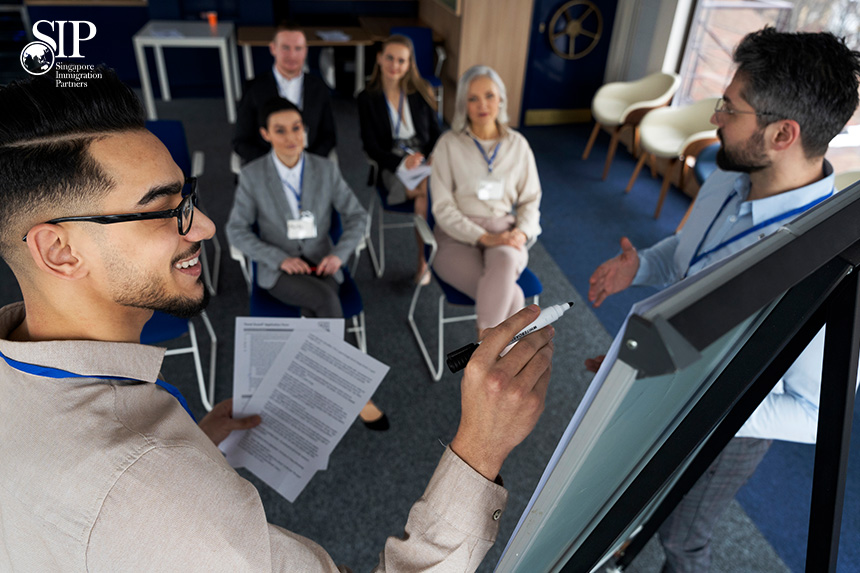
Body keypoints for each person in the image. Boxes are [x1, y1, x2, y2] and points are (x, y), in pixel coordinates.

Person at [0, 68, 555, 571]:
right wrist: (481, 449)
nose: (204, 227)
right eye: (163, 210)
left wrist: (193, 439)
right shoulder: (152, 493)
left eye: (187, 198)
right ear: (59, 251)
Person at [586, 28, 860, 573]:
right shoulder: (725, 178)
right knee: (638, 501)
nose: (714, 119)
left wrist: (694, 395)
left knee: (683, 540)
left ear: (782, 134)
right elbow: (688, 258)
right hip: (669, 375)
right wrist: (642, 265)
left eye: (729, 109)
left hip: (732, 426)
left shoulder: (828, 264)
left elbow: (814, 413)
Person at [227, 97, 387, 430]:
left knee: (319, 313)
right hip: (280, 271)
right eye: (280, 130)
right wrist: (278, 258)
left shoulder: (325, 169)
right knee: (327, 301)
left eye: (296, 128)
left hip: (322, 262)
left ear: (306, 131)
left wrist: (339, 254)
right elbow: (236, 231)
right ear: (265, 134)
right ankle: (354, 391)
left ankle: (314, 388)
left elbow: (357, 216)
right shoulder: (253, 175)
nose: (290, 137)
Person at [430, 65, 542, 331]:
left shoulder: (518, 145)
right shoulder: (448, 144)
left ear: (501, 99)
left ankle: (484, 346)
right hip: (455, 235)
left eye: (489, 96)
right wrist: (483, 237)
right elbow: (443, 208)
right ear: (463, 104)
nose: (483, 105)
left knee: (504, 263)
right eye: (473, 98)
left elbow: (531, 200)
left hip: (505, 233)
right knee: (510, 293)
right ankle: (498, 356)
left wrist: (522, 233)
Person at [357, 34, 442, 283]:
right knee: (430, 192)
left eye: (402, 61)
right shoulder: (367, 98)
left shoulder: (421, 91)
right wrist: (401, 163)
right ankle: (425, 260)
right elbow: (370, 147)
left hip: (423, 161)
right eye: (390, 58)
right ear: (379, 59)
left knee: (424, 195)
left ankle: (423, 261)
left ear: (409, 64)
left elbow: (437, 135)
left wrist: (432, 157)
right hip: (390, 164)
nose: (395, 65)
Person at [232, 23, 336, 163]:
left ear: (305, 51)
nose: (292, 55)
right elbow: (241, 141)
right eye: (285, 48)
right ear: (273, 48)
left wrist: (306, 163)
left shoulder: (319, 87)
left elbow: (329, 136)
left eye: (298, 48)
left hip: (309, 167)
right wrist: (275, 164)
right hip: (266, 168)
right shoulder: (253, 88)